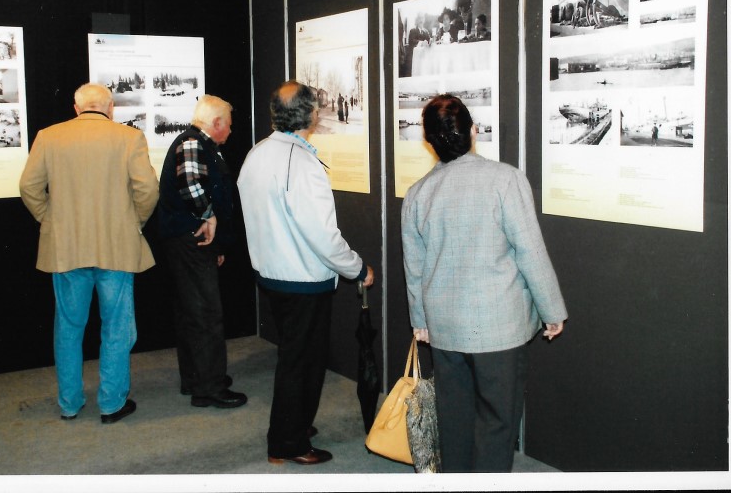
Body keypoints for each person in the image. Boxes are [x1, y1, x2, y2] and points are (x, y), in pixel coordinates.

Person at [401, 94, 567, 472]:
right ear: (473, 131)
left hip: (445, 327)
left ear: (430, 142)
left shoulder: (417, 194)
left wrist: (420, 321)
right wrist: (552, 311)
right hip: (499, 328)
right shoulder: (506, 180)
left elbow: (415, 267)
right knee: (498, 422)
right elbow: (530, 252)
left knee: (454, 417)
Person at [237, 80, 375, 466]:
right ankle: (289, 442)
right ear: (312, 115)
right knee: (304, 364)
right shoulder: (302, 163)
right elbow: (324, 237)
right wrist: (357, 268)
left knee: (293, 357)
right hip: (303, 280)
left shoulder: (257, 154)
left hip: (272, 274)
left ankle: (293, 424)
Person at [19, 83, 159, 424]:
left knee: (68, 327)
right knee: (117, 327)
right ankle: (111, 403)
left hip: (66, 248)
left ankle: (69, 403)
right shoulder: (129, 138)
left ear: (76, 107)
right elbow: (147, 190)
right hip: (116, 248)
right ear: (110, 108)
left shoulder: (49, 136)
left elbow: (29, 187)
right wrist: (133, 222)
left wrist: (49, 219)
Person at [157, 94, 247, 409]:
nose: (231, 131)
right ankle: (209, 387)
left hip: (193, 241)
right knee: (206, 313)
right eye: (229, 125)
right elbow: (191, 185)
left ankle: (198, 379)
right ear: (217, 122)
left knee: (193, 312)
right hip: (191, 238)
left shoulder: (199, 144)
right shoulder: (193, 143)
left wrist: (217, 242)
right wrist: (209, 217)